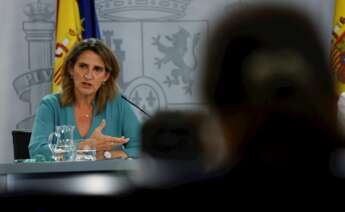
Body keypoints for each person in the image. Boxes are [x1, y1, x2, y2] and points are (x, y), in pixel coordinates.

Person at [29, 38, 141, 161]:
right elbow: (37, 150)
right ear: (71, 69)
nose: (88, 76)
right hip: (62, 179)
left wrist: (112, 155)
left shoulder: (118, 104)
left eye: (97, 69)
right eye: (83, 66)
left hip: (108, 179)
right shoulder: (51, 105)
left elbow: (143, 147)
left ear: (106, 76)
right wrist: (86, 147)